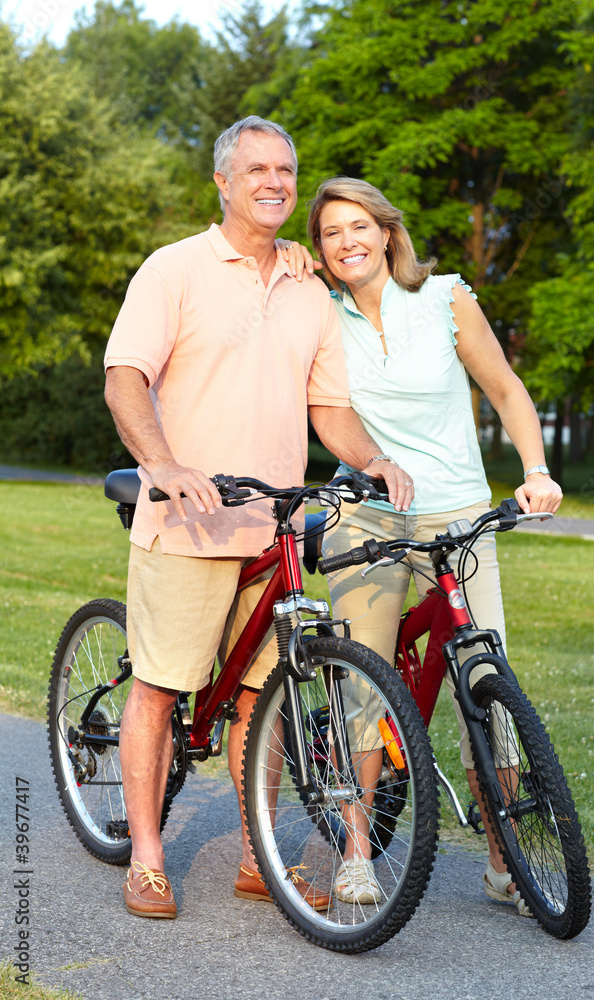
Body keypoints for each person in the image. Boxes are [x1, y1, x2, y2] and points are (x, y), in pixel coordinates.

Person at [103, 120, 413, 920]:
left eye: (285, 169)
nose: (273, 181)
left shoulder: (310, 287)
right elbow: (126, 377)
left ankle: (257, 857)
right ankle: (145, 858)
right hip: (187, 525)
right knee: (161, 691)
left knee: (259, 699)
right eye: (256, 169)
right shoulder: (174, 268)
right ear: (223, 181)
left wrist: (371, 458)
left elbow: (329, 407)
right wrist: (162, 465)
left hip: (271, 533)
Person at [299, 176, 562, 913]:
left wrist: (535, 472)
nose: (347, 242)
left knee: (487, 681)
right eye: (329, 233)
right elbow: (325, 409)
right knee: (363, 677)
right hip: (370, 513)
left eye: (359, 227)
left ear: (387, 232)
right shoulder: (318, 313)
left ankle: (504, 860)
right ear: (319, 251)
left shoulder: (445, 296)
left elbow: (506, 389)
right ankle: (355, 852)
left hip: (456, 514)